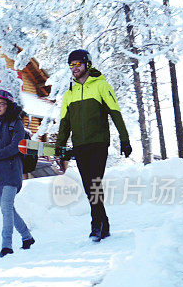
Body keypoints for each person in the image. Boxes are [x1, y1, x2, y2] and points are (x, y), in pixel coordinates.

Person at [55, 49, 132, 242]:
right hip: (79, 146)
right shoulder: (69, 94)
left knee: (94, 182)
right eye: (71, 65)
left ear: (87, 64)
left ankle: (95, 223)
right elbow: (65, 123)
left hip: (98, 143)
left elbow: (115, 113)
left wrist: (125, 140)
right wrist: (60, 146)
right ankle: (103, 223)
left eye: (78, 64)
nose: (74, 68)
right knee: (89, 185)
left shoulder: (101, 86)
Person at [0, 89, 34, 257]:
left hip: (12, 171)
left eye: (2, 104)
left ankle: (6, 245)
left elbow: (16, 147)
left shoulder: (16, 123)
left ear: (9, 105)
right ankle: (27, 237)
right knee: (8, 210)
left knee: (6, 208)